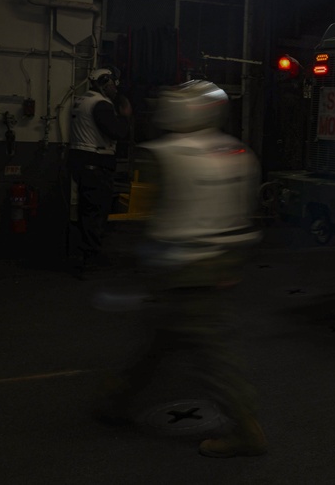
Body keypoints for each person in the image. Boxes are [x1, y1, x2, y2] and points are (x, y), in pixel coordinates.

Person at [95, 80, 266, 458]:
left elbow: (142, 215)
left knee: (212, 356)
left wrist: (129, 262)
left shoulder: (161, 154)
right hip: (219, 264)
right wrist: (231, 264)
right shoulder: (238, 152)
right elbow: (245, 214)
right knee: (160, 341)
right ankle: (115, 401)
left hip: (178, 268)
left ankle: (246, 430)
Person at [69, 67, 131, 278]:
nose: (115, 88)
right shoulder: (100, 105)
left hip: (81, 163)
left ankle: (83, 256)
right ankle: (90, 261)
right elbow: (117, 132)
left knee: (86, 212)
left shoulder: (81, 100)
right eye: (112, 83)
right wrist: (124, 116)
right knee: (95, 214)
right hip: (96, 165)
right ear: (104, 82)